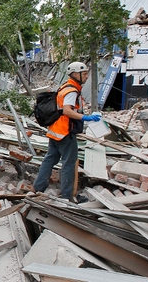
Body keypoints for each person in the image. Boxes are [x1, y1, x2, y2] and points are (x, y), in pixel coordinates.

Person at [33, 62, 101, 202]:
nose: (87, 76)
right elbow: (67, 110)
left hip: (55, 130)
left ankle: (38, 187)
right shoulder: (72, 91)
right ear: (76, 74)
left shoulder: (65, 86)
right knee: (69, 163)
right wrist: (85, 117)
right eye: (85, 73)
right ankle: (67, 196)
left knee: (50, 159)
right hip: (65, 132)